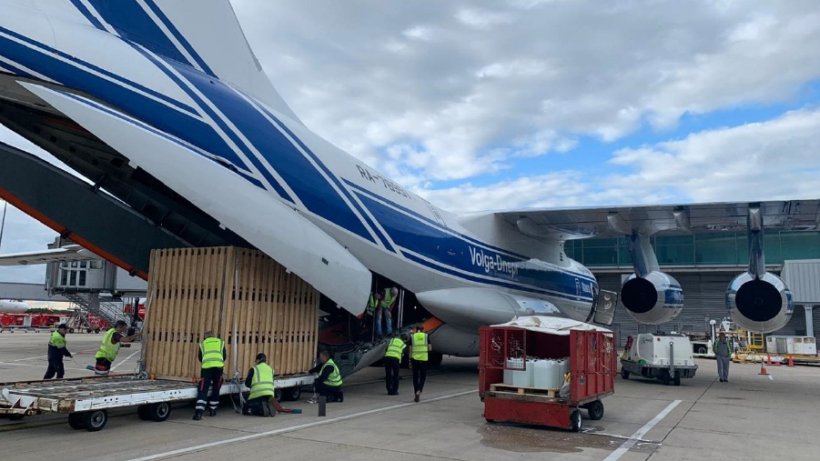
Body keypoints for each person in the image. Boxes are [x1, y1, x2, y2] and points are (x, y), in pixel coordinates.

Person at [193, 330, 226, 420]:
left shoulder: (203, 344)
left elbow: (200, 357)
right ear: (213, 336)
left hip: (206, 368)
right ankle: (212, 410)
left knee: (203, 389)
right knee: (216, 388)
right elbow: (224, 356)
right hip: (218, 368)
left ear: (205, 337)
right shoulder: (220, 342)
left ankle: (199, 413)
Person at [410, 325, 431, 402]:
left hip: (414, 359)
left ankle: (416, 391)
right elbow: (430, 348)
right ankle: (419, 390)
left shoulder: (412, 337)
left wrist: (410, 360)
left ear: (416, 330)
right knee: (423, 376)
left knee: (415, 377)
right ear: (423, 330)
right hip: (424, 359)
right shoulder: (426, 336)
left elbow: (410, 349)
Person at [383, 331, 406, 395]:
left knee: (388, 375)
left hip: (387, 358)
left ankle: (389, 390)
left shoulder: (392, 340)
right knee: (396, 375)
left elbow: (386, 349)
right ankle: (394, 391)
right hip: (395, 359)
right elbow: (402, 354)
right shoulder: (402, 343)